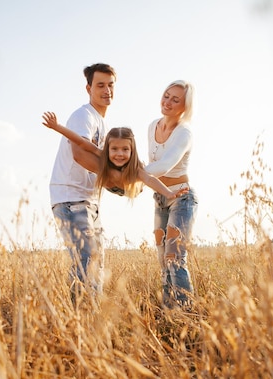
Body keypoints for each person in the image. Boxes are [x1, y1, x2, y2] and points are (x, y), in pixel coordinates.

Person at [48, 63, 116, 301]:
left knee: (94, 262)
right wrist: (114, 179)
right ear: (88, 88)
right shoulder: (83, 115)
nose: (106, 90)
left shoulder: (103, 123)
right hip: (71, 198)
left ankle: (90, 325)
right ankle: (81, 325)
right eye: (100, 85)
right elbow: (80, 154)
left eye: (110, 85)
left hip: (88, 200)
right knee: (86, 263)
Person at [42, 112, 189, 200]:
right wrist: (57, 126)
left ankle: (136, 172)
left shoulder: (135, 169)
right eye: (114, 149)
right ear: (107, 149)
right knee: (85, 145)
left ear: (132, 151)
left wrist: (168, 193)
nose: (119, 154)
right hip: (111, 183)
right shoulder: (102, 155)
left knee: (142, 173)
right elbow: (81, 141)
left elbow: (150, 179)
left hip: (130, 186)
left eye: (125, 149)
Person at [143, 80, 198, 309]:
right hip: (160, 199)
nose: (168, 102)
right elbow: (152, 165)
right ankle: (169, 314)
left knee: (174, 259)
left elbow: (164, 165)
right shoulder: (152, 126)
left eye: (176, 100)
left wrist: (131, 174)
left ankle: (188, 315)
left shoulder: (184, 133)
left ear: (184, 107)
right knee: (162, 260)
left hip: (181, 198)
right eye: (166, 96)